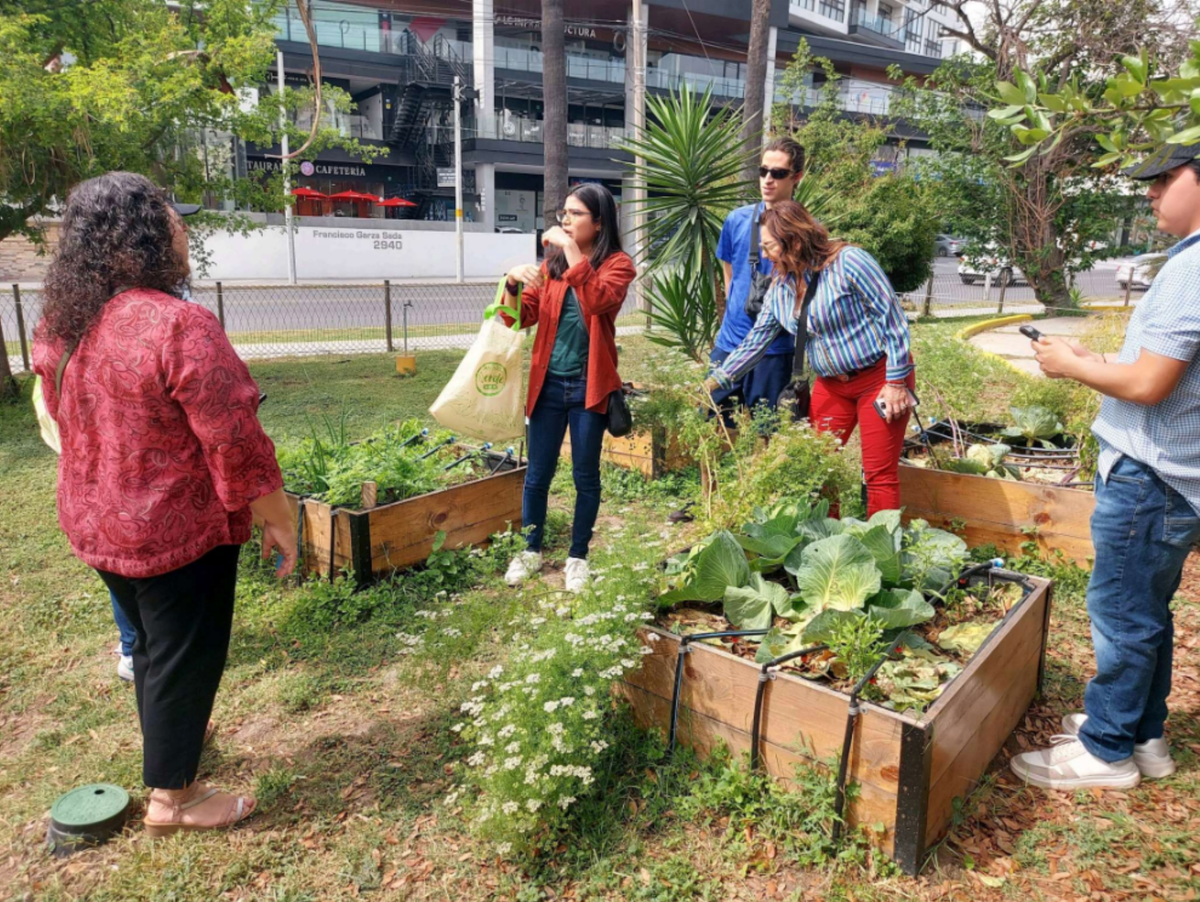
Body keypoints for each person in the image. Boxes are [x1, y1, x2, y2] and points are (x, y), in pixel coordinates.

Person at [32, 172, 298, 835]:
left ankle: (172, 751)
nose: (183, 230)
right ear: (147, 236)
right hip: (172, 531)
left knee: (151, 648)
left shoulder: (62, 323)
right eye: (172, 220)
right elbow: (237, 442)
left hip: (97, 523)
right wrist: (282, 521)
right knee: (183, 654)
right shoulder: (179, 324)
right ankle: (172, 800)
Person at [1010, 144, 1200, 790]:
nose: (1151, 193)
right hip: (1172, 477)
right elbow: (1163, 374)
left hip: (1150, 477)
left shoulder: (1192, 269)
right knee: (1146, 610)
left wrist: (1070, 366)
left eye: (1166, 180)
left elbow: (1148, 385)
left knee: (1120, 613)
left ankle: (1107, 750)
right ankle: (1142, 735)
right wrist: (1095, 359)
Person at [703, 200, 915, 516]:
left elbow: (894, 321)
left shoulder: (851, 263)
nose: (763, 255)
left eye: (769, 246)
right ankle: (825, 543)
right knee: (814, 465)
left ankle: (884, 552)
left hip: (879, 379)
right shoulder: (781, 286)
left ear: (796, 241)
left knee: (878, 474)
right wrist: (716, 380)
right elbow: (756, 341)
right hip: (832, 385)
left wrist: (896, 383)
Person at [498, 183, 636, 593]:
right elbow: (517, 319)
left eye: (575, 214)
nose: (565, 220)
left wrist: (570, 250)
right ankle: (530, 551)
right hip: (548, 385)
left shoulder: (618, 265)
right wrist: (510, 283)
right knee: (537, 475)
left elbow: (596, 301)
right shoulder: (552, 266)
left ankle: (578, 557)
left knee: (585, 477)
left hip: (589, 388)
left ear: (599, 222)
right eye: (564, 213)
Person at [710, 138, 806, 419]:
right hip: (730, 344)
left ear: (796, 177)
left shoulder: (803, 230)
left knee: (768, 433)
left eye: (778, 174)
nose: (767, 180)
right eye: (763, 171)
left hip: (775, 351)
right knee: (712, 425)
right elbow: (729, 273)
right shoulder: (736, 220)